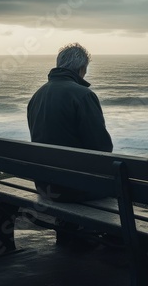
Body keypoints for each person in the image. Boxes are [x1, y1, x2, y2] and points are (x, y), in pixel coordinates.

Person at [27, 43, 113, 202]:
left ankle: (68, 225)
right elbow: (102, 147)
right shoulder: (84, 95)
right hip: (74, 187)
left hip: (45, 185)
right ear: (82, 69)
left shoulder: (37, 95)